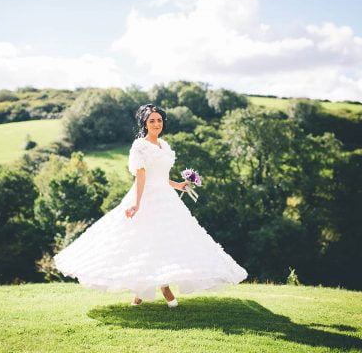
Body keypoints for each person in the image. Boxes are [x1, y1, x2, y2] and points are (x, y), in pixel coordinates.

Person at [53, 103, 248, 307]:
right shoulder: (140, 146)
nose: (156, 124)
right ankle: (162, 288)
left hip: (167, 198)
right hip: (146, 197)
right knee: (143, 242)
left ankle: (145, 292)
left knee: (166, 241)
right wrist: (137, 204)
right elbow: (142, 177)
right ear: (145, 124)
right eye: (152, 121)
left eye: (159, 120)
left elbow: (162, 177)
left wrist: (178, 185)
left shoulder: (164, 145)